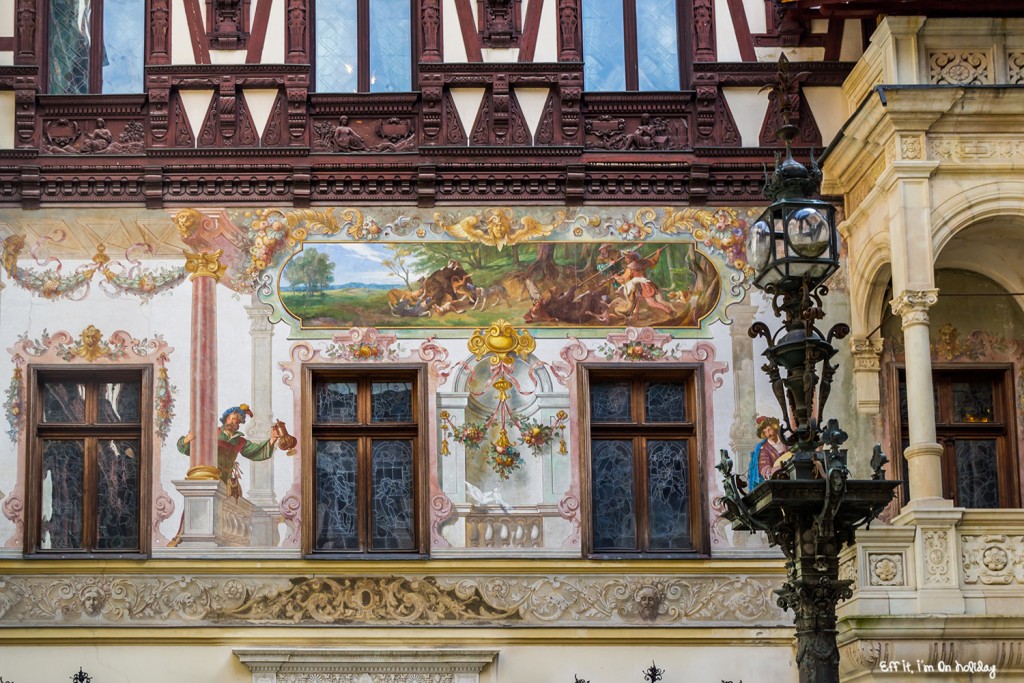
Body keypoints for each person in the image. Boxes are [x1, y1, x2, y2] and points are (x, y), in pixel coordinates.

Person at [177, 404, 279, 499]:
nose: (230, 421)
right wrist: (186, 440)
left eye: (234, 419)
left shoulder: (239, 441)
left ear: (239, 422)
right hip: (209, 477)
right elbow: (192, 449)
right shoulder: (212, 432)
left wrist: (272, 439)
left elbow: (255, 450)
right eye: (229, 418)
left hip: (227, 483)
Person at [614, 249, 673, 319]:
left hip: (643, 286)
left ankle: (669, 311)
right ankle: (635, 315)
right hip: (640, 286)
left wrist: (616, 276)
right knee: (636, 300)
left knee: (652, 303)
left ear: (631, 258)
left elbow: (623, 279)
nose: (625, 259)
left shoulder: (629, 268)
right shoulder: (643, 262)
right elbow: (653, 261)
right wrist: (657, 253)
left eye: (627, 257)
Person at [747, 416, 788, 488]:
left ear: (774, 427)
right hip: (777, 483)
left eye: (769, 430)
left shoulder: (786, 441)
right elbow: (764, 468)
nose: (768, 434)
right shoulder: (764, 449)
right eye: (765, 432)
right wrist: (774, 469)